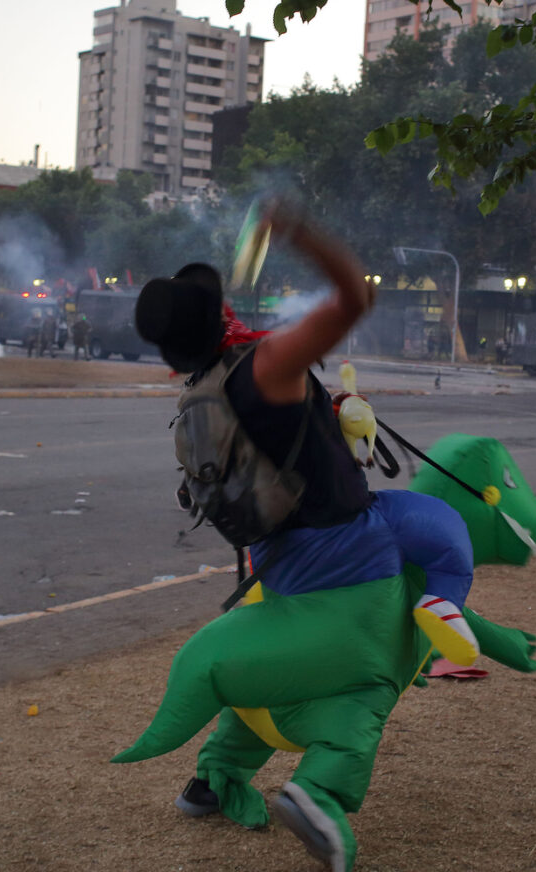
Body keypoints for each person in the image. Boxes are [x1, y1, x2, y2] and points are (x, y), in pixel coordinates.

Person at [134, 207, 480, 852]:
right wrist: (301, 232)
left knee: (275, 671)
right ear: (218, 318)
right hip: (348, 553)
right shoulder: (267, 366)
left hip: (278, 562)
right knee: (373, 678)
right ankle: (318, 795)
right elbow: (356, 297)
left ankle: (212, 778)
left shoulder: (203, 385)